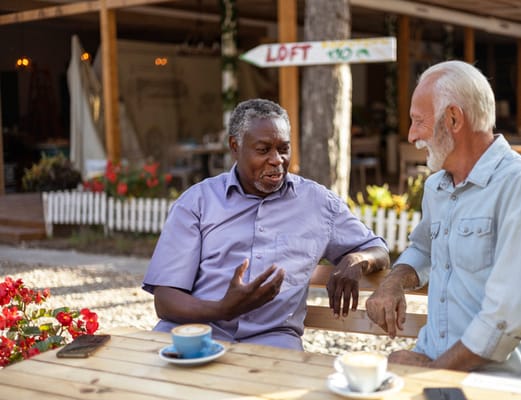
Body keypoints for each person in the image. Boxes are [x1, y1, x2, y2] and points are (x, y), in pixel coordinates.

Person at [365, 60, 521, 384]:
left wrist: (432, 374)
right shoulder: (437, 187)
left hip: (504, 383)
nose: (412, 135)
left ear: (453, 119)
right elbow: (424, 249)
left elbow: (510, 316)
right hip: (437, 362)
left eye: (418, 121)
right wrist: (393, 283)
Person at [143, 98, 389, 350]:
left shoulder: (318, 203)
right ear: (234, 146)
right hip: (197, 332)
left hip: (273, 339)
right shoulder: (198, 202)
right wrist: (223, 309)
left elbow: (378, 249)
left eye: (284, 148)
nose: (277, 160)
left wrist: (355, 261)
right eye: (263, 150)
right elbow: (165, 300)